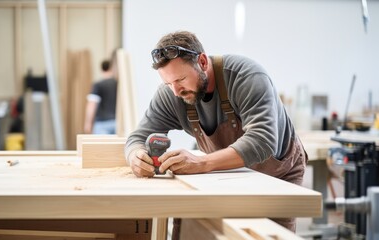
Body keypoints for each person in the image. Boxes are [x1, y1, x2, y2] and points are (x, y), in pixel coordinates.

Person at [124, 31, 308, 233]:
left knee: (268, 235)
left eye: (181, 80)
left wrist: (201, 163)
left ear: (202, 62)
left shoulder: (246, 77)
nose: (176, 91)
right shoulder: (172, 94)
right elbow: (138, 137)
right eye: (168, 84)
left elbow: (262, 141)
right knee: (203, 229)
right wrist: (135, 156)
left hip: (276, 174)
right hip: (227, 174)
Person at [84, 59, 117, 134]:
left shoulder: (98, 85)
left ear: (102, 69)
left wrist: (88, 124)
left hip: (102, 124)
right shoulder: (118, 84)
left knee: (102, 145)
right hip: (117, 122)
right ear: (111, 68)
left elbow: (92, 105)